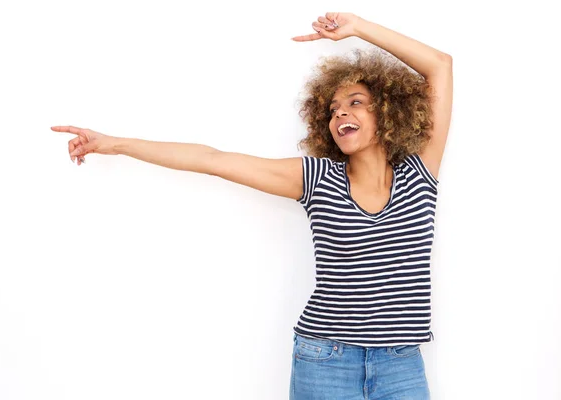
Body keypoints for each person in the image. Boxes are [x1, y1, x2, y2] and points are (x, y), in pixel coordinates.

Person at [52, 11, 452, 400]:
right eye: (332, 109)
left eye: (355, 102)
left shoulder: (420, 174)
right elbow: (213, 159)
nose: (341, 112)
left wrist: (357, 28)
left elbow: (439, 65)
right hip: (327, 361)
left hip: (402, 365)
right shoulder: (317, 178)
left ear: (387, 111)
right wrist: (112, 143)